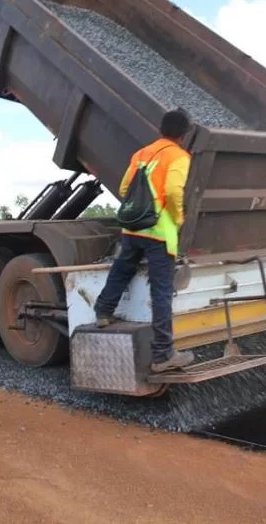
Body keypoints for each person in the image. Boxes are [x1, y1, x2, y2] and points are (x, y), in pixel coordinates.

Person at [93, 109, 195, 373]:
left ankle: (103, 312)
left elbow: (126, 188)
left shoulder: (142, 153)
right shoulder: (179, 156)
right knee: (161, 290)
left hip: (133, 228)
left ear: (160, 129)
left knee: (122, 269)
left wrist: (140, 209)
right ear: (183, 136)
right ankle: (163, 355)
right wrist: (178, 216)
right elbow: (173, 190)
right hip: (159, 233)